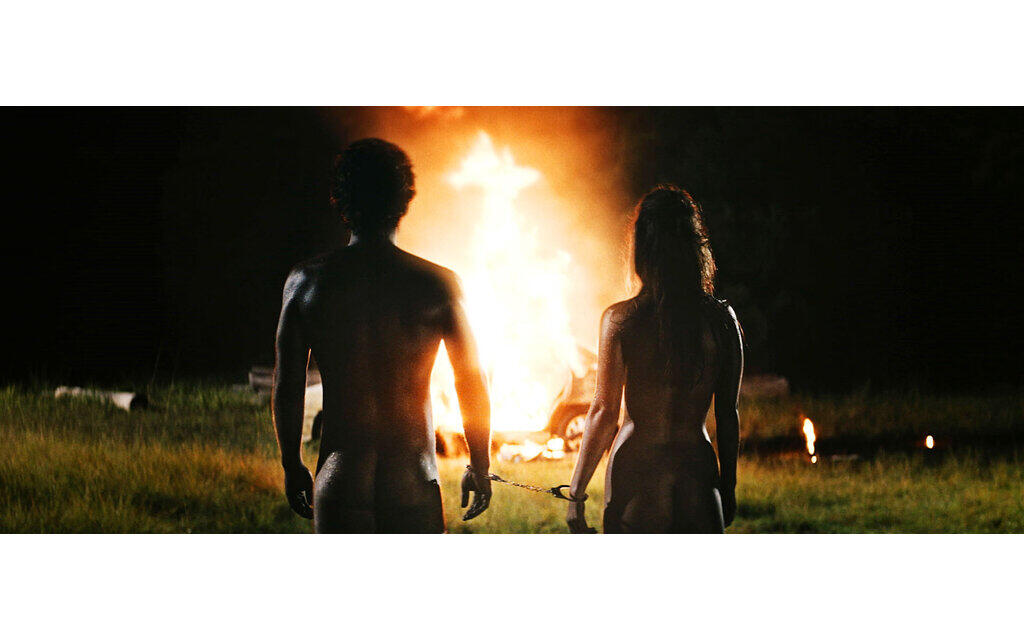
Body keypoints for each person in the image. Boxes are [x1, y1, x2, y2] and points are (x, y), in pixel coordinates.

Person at [272, 138, 492, 533]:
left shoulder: (305, 282)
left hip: (339, 480)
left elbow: (288, 385)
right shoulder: (438, 285)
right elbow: (470, 380)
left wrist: (292, 465)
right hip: (412, 481)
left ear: (341, 198)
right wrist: (479, 463)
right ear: (403, 199)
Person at [566, 185, 743, 533]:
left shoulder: (621, 320)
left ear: (642, 248)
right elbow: (727, 415)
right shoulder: (722, 320)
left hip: (636, 471)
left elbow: (603, 412)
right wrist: (728, 487)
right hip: (697, 474)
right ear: (695, 248)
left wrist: (576, 494)